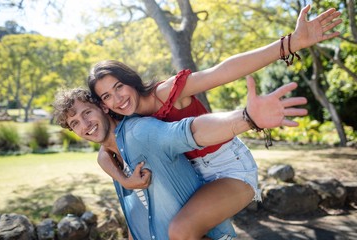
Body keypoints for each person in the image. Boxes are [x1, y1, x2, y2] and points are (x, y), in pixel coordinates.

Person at [86, 5, 341, 239]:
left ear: (130, 80)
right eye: (107, 96)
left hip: (229, 169)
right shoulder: (129, 121)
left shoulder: (166, 92)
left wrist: (290, 43)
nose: (117, 98)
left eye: (119, 87)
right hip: (193, 177)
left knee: (181, 230)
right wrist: (124, 180)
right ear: (103, 105)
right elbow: (104, 152)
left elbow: (223, 71)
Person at [53, 77, 307, 239]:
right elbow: (137, 219)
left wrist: (247, 119)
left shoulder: (139, 132)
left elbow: (191, 131)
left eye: (87, 112)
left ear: (104, 107)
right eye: (75, 123)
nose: (84, 124)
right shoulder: (112, 158)